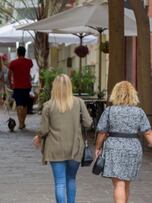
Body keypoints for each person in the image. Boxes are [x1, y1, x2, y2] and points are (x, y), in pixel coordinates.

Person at [33, 74, 92, 203]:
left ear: (55, 88)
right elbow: (88, 123)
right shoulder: (79, 102)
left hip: (55, 148)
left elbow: (44, 129)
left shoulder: (48, 105)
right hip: (75, 147)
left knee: (60, 182)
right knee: (71, 179)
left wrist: (38, 136)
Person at [95, 81, 152, 203]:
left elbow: (102, 132)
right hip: (133, 148)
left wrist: (98, 147)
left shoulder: (110, 111)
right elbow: (147, 132)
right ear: (133, 94)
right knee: (126, 182)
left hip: (114, 147)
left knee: (119, 184)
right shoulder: (139, 112)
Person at [8, 46, 33, 129]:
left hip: (17, 86)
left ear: (17, 53)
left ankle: (20, 123)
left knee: (19, 104)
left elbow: (9, 74)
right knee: (25, 105)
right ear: (25, 53)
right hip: (27, 86)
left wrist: (10, 83)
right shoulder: (29, 62)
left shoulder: (13, 63)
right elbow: (29, 72)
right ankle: (23, 122)